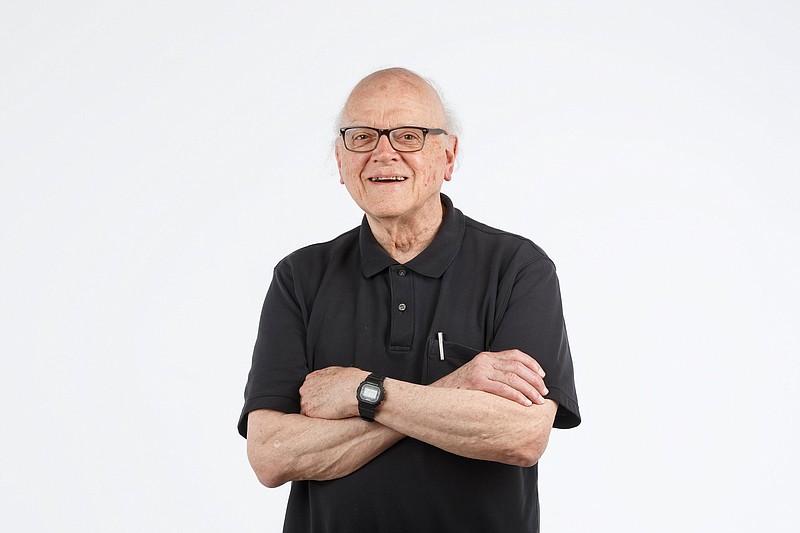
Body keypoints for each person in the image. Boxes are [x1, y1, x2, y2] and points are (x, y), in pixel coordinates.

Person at [238, 67, 580, 532]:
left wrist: (360, 392)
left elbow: (519, 434)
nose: (383, 152)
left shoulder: (518, 268)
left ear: (448, 156)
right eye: (361, 136)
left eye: (408, 135)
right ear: (340, 161)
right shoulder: (299, 277)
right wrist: (456, 387)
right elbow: (270, 455)